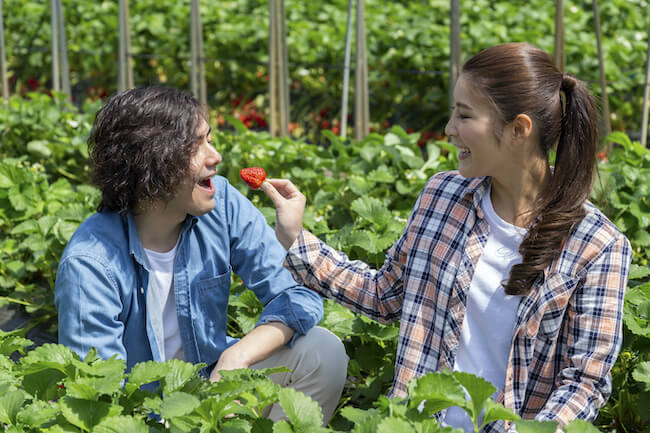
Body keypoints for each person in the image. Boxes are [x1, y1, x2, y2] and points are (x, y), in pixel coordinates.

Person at [260, 43, 631, 432]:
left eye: (464, 115)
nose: (449, 129)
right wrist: (296, 238)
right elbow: (385, 295)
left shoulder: (597, 245)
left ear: (519, 129)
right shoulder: (443, 196)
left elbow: (583, 382)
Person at [54, 85, 348, 423]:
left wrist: (235, 357)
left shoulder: (222, 204)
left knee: (321, 352)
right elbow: (96, 393)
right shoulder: (91, 263)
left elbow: (298, 296)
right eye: (197, 145)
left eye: (209, 139)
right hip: (140, 416)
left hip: (212, 388)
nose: (216, 156)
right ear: (153, 162)